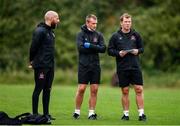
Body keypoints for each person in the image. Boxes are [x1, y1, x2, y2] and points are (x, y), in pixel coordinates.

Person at [108, 13, 147, 121]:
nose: (127, 24)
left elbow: (142, 48)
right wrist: (118, 53)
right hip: (122, 68)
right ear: (121, 23)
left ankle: (141, 114)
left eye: (129, 22)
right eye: (125, 22)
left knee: (139, 89)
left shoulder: (136, 35)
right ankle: (126, 115)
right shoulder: (115, 36)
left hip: (135, 67)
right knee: (125, 91)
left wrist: (137, 51)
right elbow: (109, 51)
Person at [73, 14, 106, 120]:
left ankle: (91, 113)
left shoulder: (99, 35)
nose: (95, 25)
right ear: (87, 23)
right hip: (84, 65)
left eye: (96, 23)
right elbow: (81, 48)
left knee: (94, 90)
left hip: (95, 66)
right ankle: (77, 112)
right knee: (81, 89)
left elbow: (103, 49)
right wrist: (96, 47)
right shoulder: (80, 34)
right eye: (93, 23)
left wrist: (90, 46)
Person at [29, 10, 60, 122]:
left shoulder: (51, 32)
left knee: (47, 89)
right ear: (51, 19)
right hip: (41, 66)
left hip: (50, 66)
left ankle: (46, 114)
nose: (58, 21)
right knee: (38, 88)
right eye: (57, 18)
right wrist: (31, 60)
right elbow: (33, 47)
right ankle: (35, 114)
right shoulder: (40, 31)